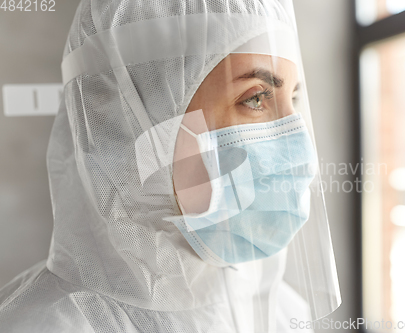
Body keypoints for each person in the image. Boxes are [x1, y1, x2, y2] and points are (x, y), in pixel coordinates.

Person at [0, 0, 341, 332]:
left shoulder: (280, 311)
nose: (301, 148)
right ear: (141, 118)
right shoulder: (42, 325)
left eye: (293, 98)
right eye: (256, 97)